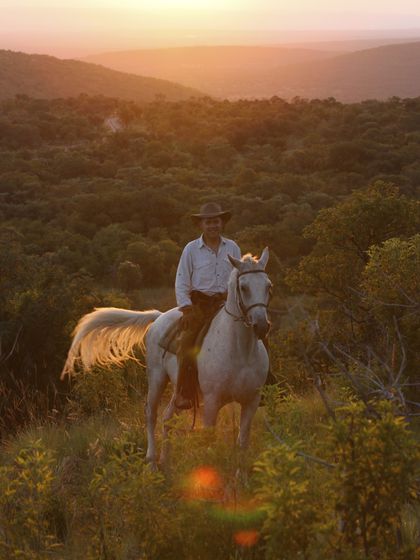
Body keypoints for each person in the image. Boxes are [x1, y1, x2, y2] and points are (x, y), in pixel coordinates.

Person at [174, 202, 241, 409]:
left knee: (258, 333)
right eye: (208, 222)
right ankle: (185, 393)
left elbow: (239, 277)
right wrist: (186, 308)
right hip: (200, 305)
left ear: (222, 223)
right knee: (188, 343)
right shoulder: (191, 249)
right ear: (201, 225)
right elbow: (182, 280)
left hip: (226, 303)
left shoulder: (232, 247)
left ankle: (265, 383)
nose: (213, 225)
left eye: (216, 221)